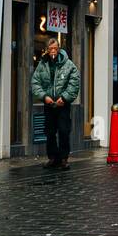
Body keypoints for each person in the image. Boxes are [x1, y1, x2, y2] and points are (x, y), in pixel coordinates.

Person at [31, 36, 81, 171]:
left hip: (62, 105)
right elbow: (35, 83)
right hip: (49, 104)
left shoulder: (68, 64)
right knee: (50, 132)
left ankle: (64, 159)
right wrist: (44, 96)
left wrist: (64, 98)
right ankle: (53, 158)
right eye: (50, 48)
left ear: (59, 49)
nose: (53, 51)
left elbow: (74, 83)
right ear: (46, 50)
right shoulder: (42, 65)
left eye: (55, 48)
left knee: (64, 131)